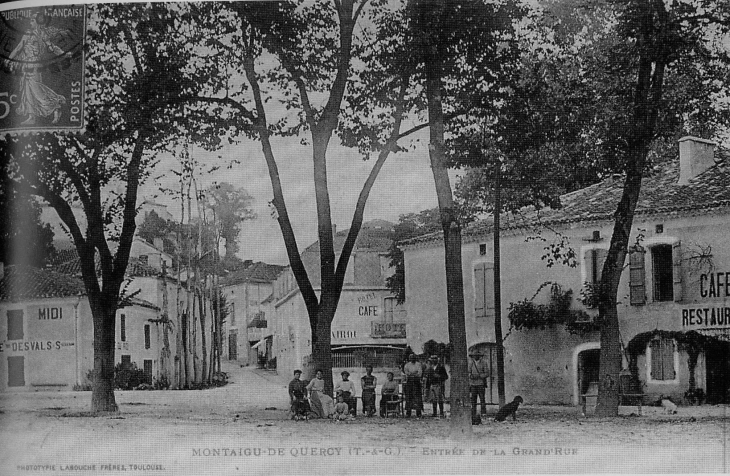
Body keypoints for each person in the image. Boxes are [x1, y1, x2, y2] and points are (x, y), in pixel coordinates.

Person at [4, 13, 73, 125]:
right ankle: (33, 117)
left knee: (35, 88)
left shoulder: (41, 35)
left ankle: (56, 103)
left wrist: (64, 54)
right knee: (29, 90)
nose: (30, 22)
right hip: (27, 65)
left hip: (34, 64)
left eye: (32, 20)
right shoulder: (29, 34)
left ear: (37, 22)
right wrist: (9, 59)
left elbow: (52, 48)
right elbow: (18, 49)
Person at [469, 350, 489, 421]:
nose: (475, 356)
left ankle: (483, 413)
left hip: (481, 384)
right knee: (473, 400)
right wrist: (471, 376)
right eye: (474, 355)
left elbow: (487, 373)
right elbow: (468, 373)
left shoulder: (484, 363)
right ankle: (473, 413)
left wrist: (480, 376)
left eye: (477, 355)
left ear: (479, 356)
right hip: (473, 384)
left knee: (482, 399)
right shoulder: (471, 363)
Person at [403, 353, 423, 418]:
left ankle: (418, 412)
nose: (412, 359)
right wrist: (414, 373)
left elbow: (419, 374)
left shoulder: (418, 364)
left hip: (417, 383)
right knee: (409, 397)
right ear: (409, 358)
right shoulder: (407, 365)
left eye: (413, 357)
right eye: (410, 357)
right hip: (409, 383)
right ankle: (408, 412)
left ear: (415, 358)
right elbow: (407, 373)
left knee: (417, 397)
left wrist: (412, 374)